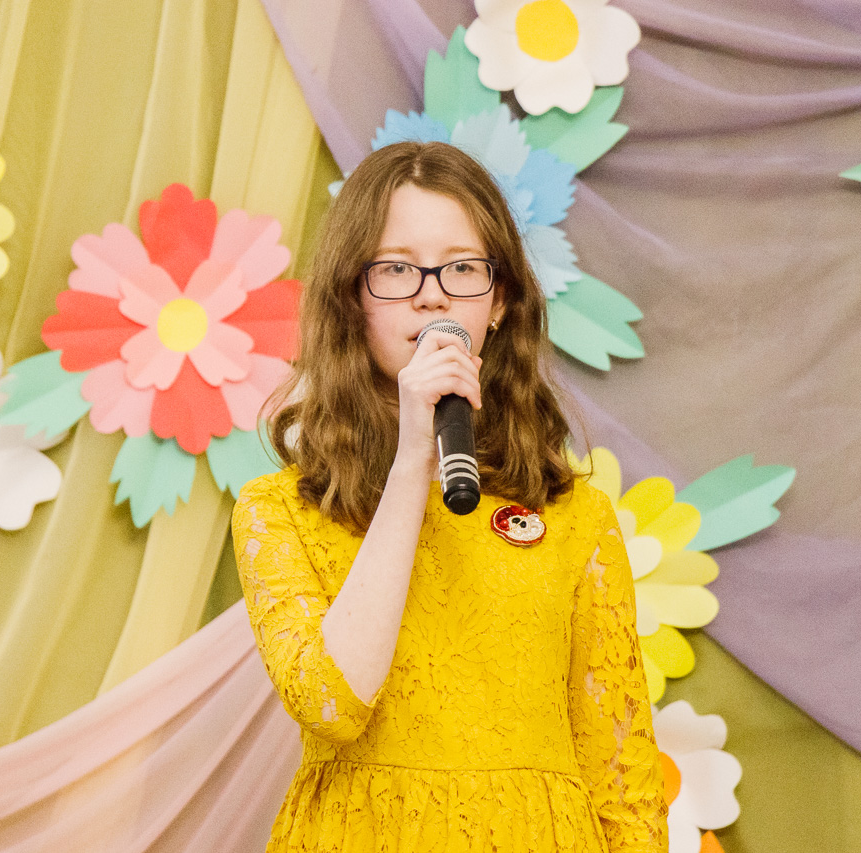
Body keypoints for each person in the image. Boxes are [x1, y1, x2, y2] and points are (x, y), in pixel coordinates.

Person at [233, 140, 668, 851]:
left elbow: (623, 778)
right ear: (352, 299)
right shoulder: (278, 512)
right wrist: (414, 458)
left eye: (462, 268)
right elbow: (332, 704)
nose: (431, 293)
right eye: (396, 268)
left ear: (500, 302)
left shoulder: (577, 518)